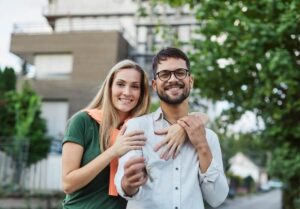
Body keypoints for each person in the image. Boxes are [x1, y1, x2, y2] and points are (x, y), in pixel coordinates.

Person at [61, 59, 189, 209]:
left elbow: (194, 118)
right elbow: (68, 184)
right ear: (109, 87)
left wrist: (185, 126)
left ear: (142, 94)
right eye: (120, 84)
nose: (127, 92)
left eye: (135, 86)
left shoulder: (141, 128)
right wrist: (113, 151)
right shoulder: (82, 122)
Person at [115, 48, 229, 209]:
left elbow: (216, 198)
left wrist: (202, 146)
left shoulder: (209, 137)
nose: (173, 79)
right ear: (154, 85)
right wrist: (129, 183)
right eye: (164, 74)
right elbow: (125, 188)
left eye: (180, 72)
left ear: (191, 80)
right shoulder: (137, 127)